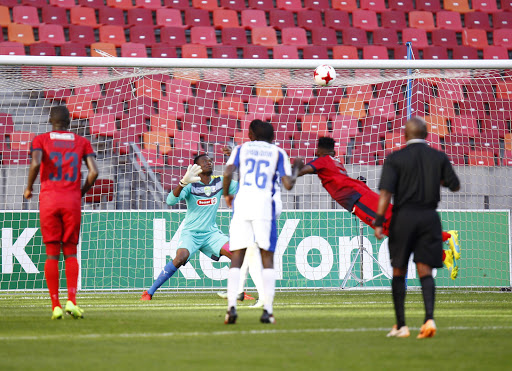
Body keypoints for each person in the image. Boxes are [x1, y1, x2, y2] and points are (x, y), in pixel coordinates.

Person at [297, 136, 461, 279]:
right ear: (334, 152)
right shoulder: (335, 162)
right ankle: (444, 255)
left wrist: (289, 169)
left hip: (361, 200)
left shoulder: (322, 160)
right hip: (362, 197)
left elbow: (302, 171)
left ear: (318, 151)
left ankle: (447, 236)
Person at [375, 117, 460, 339]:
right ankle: (429, 319)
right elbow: (455, 185)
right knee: (425, 270)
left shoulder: (395, 158)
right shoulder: (438, 157)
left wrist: (378, 220)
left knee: (399, 270)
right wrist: (437, 179)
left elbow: (386, 193)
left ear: (405, 135)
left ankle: (401, 325)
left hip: (404, 218)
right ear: (427, 135)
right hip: (429, 217)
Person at [223, 119, 301, 324]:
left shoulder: (242, 148)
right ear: (272, 136)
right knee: (267, 257)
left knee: (237, 256)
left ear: (251, 134)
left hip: (242, 203)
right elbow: (288, 185)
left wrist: (226, 195)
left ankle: (231, 307)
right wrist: (296, 170)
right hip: (264, 204)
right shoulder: (278, 152)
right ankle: (268, 310)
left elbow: (228, 171)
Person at [24, 106, 98, 320]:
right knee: (71, 252)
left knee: (51, 254)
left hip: (49, 199)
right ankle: (72, 302)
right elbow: (94, 171)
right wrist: (81, 191)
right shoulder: (82, 142)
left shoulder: (40, 140)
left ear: (50, 120)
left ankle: (55, 305)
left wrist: (29, 187)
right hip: (71, 200)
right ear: (70, 122)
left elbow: (36, 163)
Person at [141, 154, 237, 300]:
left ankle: (238, 292)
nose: (209, 162)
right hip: (191, 233)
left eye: (210, 160)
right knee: (181, 257)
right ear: (196, 167)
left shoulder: (220, 182)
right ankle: (149, 292)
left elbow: (244, 187)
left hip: (211, 234)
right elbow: (170, 201)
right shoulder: (190, 185)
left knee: (237, 255)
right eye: (204, 161)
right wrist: (182, 183)